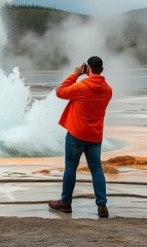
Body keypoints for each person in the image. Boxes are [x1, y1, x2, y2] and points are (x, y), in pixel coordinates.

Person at [48, 56, 113, 218]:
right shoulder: (108, 90)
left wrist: (76, 73)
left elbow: (60, 92)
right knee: (96, 169)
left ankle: (66, 203)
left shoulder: (81, 87)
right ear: (102, 70)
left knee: (71, 167)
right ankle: (102, 206)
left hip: (77, 134)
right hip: (95, 136)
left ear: (88, 69)